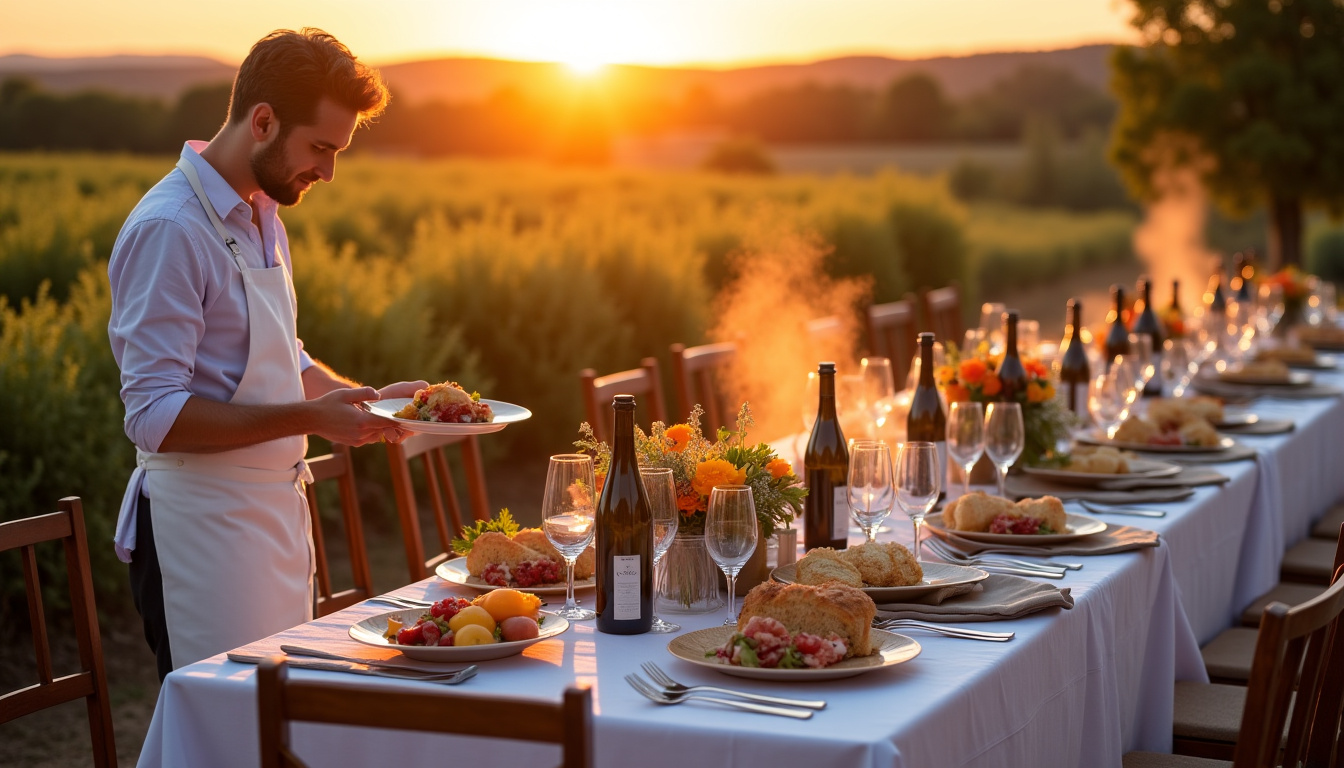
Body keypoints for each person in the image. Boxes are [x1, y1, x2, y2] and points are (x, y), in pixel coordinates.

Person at [107, 28, 422, 680]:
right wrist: (313, 420)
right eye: (321, 148)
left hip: (271, 520)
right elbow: (154, 417)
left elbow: (283, 355)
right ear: (263, 121)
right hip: (197, 531)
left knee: (279, 724)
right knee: (223, 731)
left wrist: (362, 399)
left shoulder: (262, 216)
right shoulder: (171, 229)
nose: (329, 171)